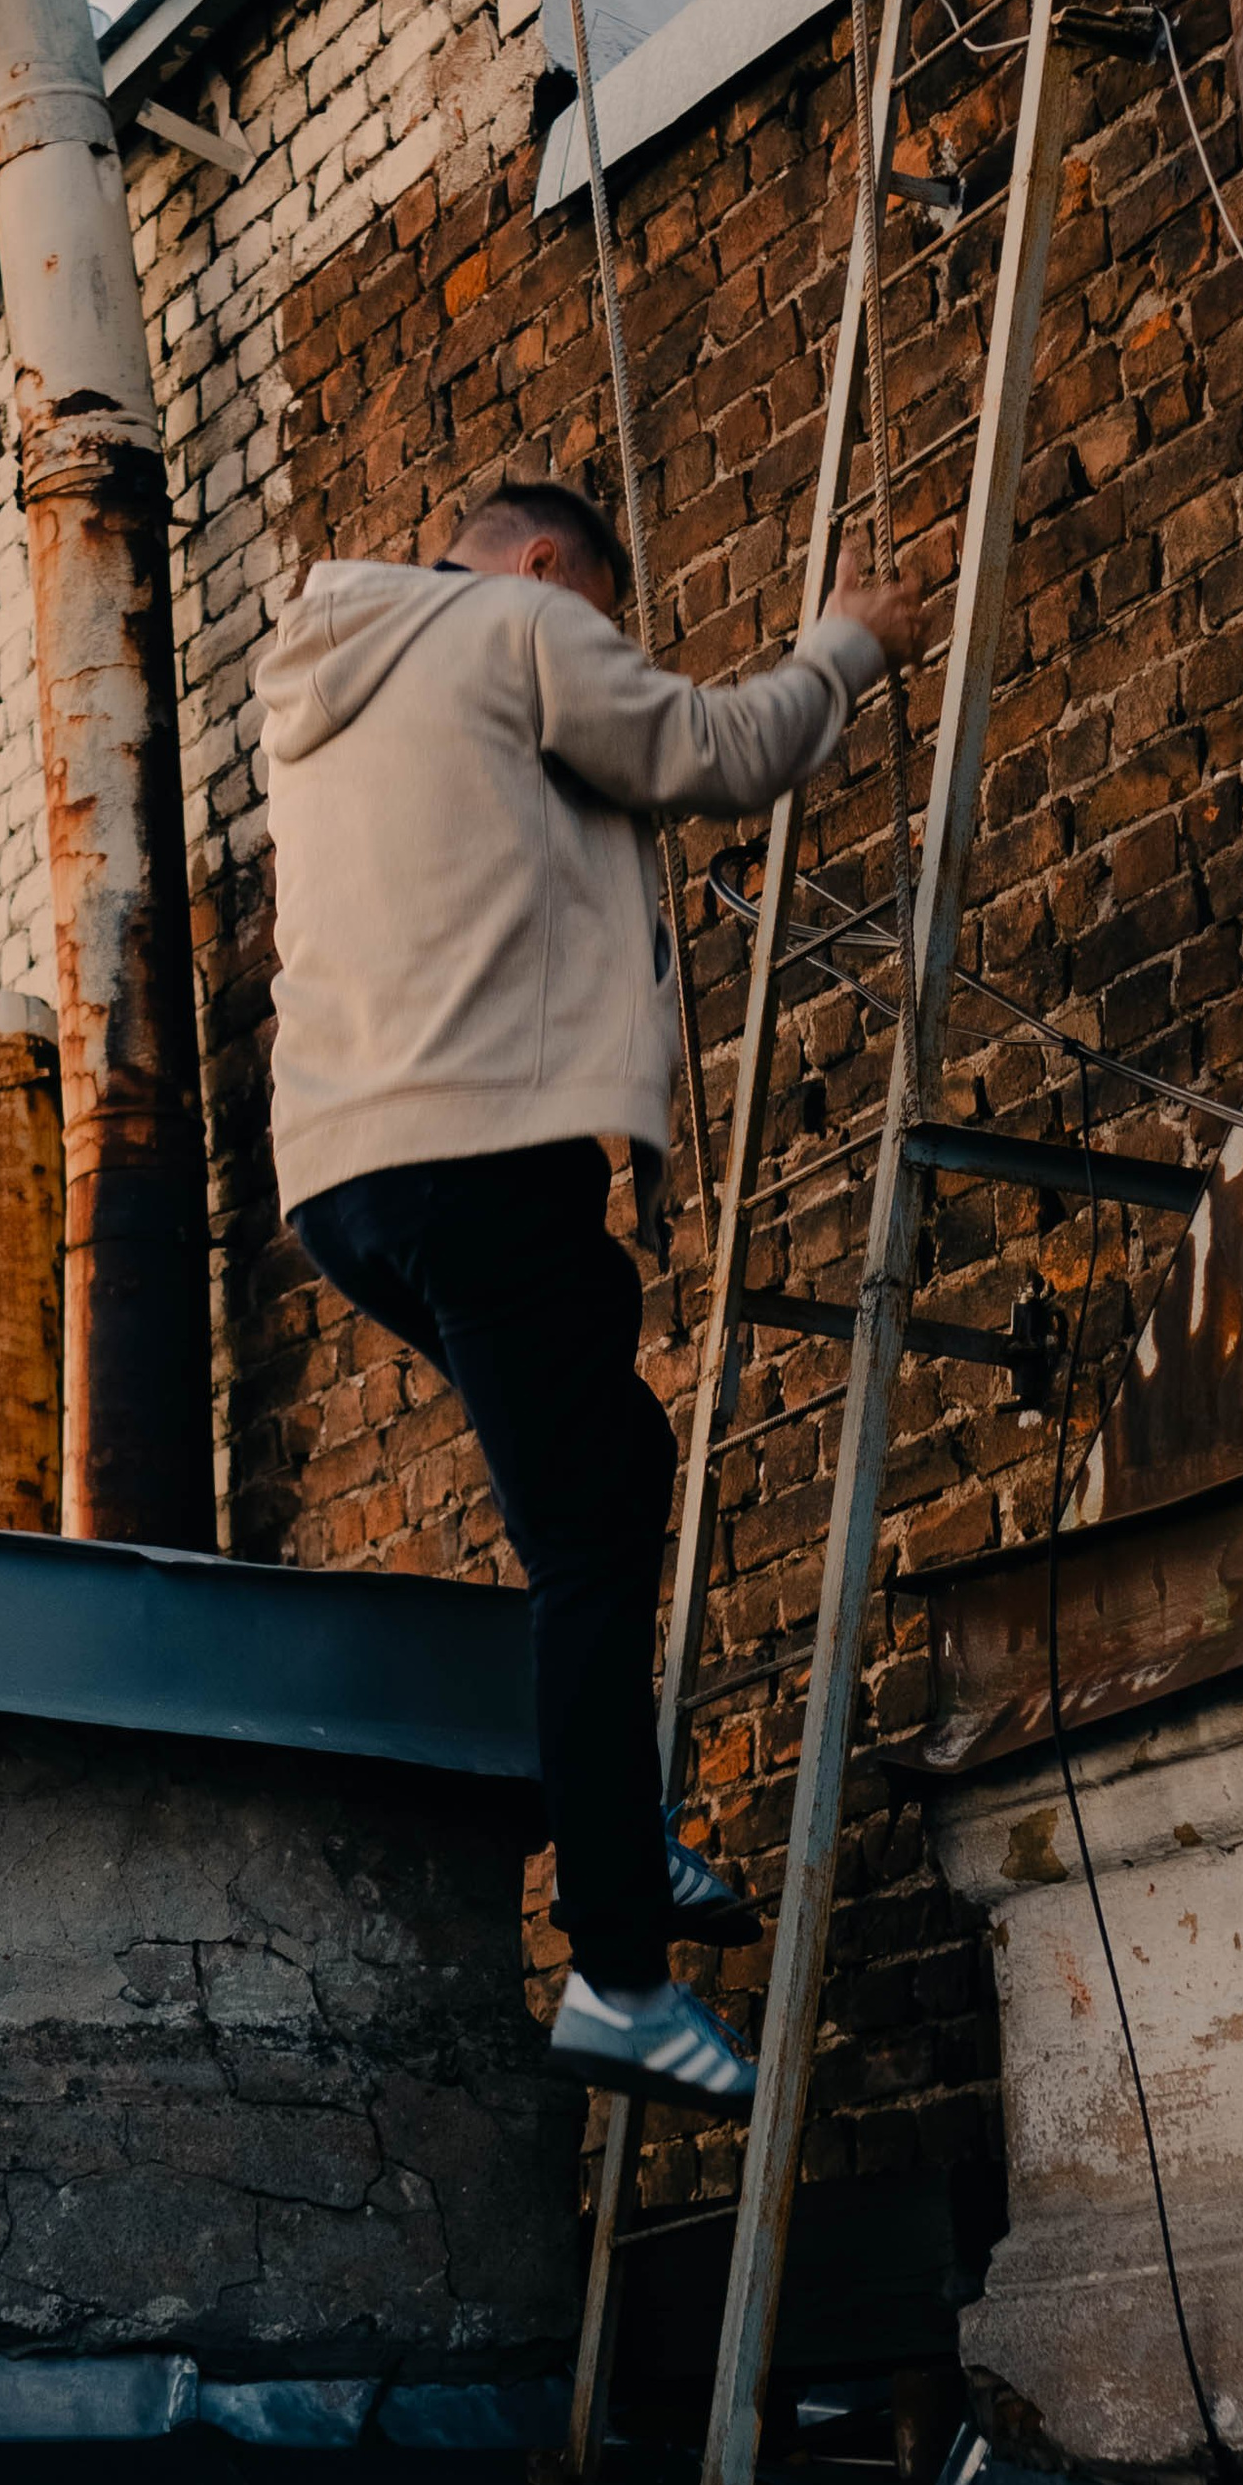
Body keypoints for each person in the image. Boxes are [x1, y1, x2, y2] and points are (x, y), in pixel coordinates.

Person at [254, 482, 926, 2108]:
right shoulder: (520, 623)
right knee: (589, 1545)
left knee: (608, 1470)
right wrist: (853, 644)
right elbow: (717, 754)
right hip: (489, 1156)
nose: (602, 649)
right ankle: (619, 1970)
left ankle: (626, 1829)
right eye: (604, 619)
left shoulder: (323, 689)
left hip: (348, 1186)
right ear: (552, 567)